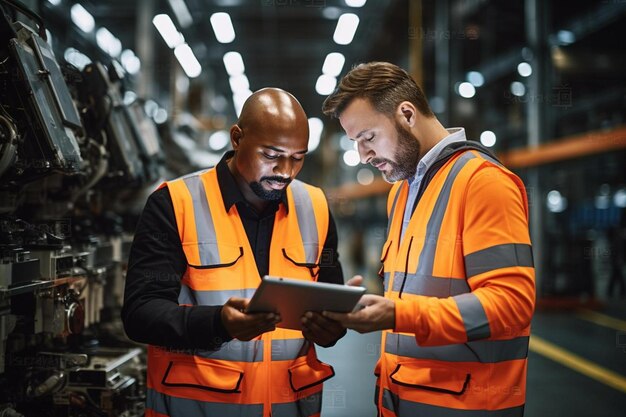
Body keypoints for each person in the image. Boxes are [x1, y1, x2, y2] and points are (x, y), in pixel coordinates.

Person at [322, 62, 535, 417]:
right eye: (355, 142)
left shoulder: (483, 182)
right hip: (402, 400)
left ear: (406, 113)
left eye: (368, 137)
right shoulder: (402, 193)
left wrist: (400, 313)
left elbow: (511, 306)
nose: (363, 155)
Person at [122, 88, 346, 417]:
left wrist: (333, 327)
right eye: (271, 155)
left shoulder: (315, 207)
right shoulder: (175, 204)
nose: (285, 170)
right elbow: (141, 314)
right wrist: (217, 324)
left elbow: (329, 301)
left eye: (298, 157)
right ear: (237, 138)